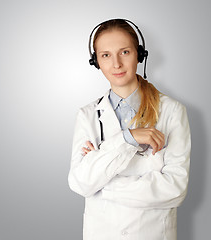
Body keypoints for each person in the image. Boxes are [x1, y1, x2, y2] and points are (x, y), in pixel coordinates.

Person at [68, 18, 191, 240]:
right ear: (96, 61)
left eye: (124, 52)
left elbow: (175, 189)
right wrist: (128, 138)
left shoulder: (172, 111)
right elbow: (80, 182)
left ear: (139, 55)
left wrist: (104, 183)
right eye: (106, 55)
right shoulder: (87, 115)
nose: (116, 64)